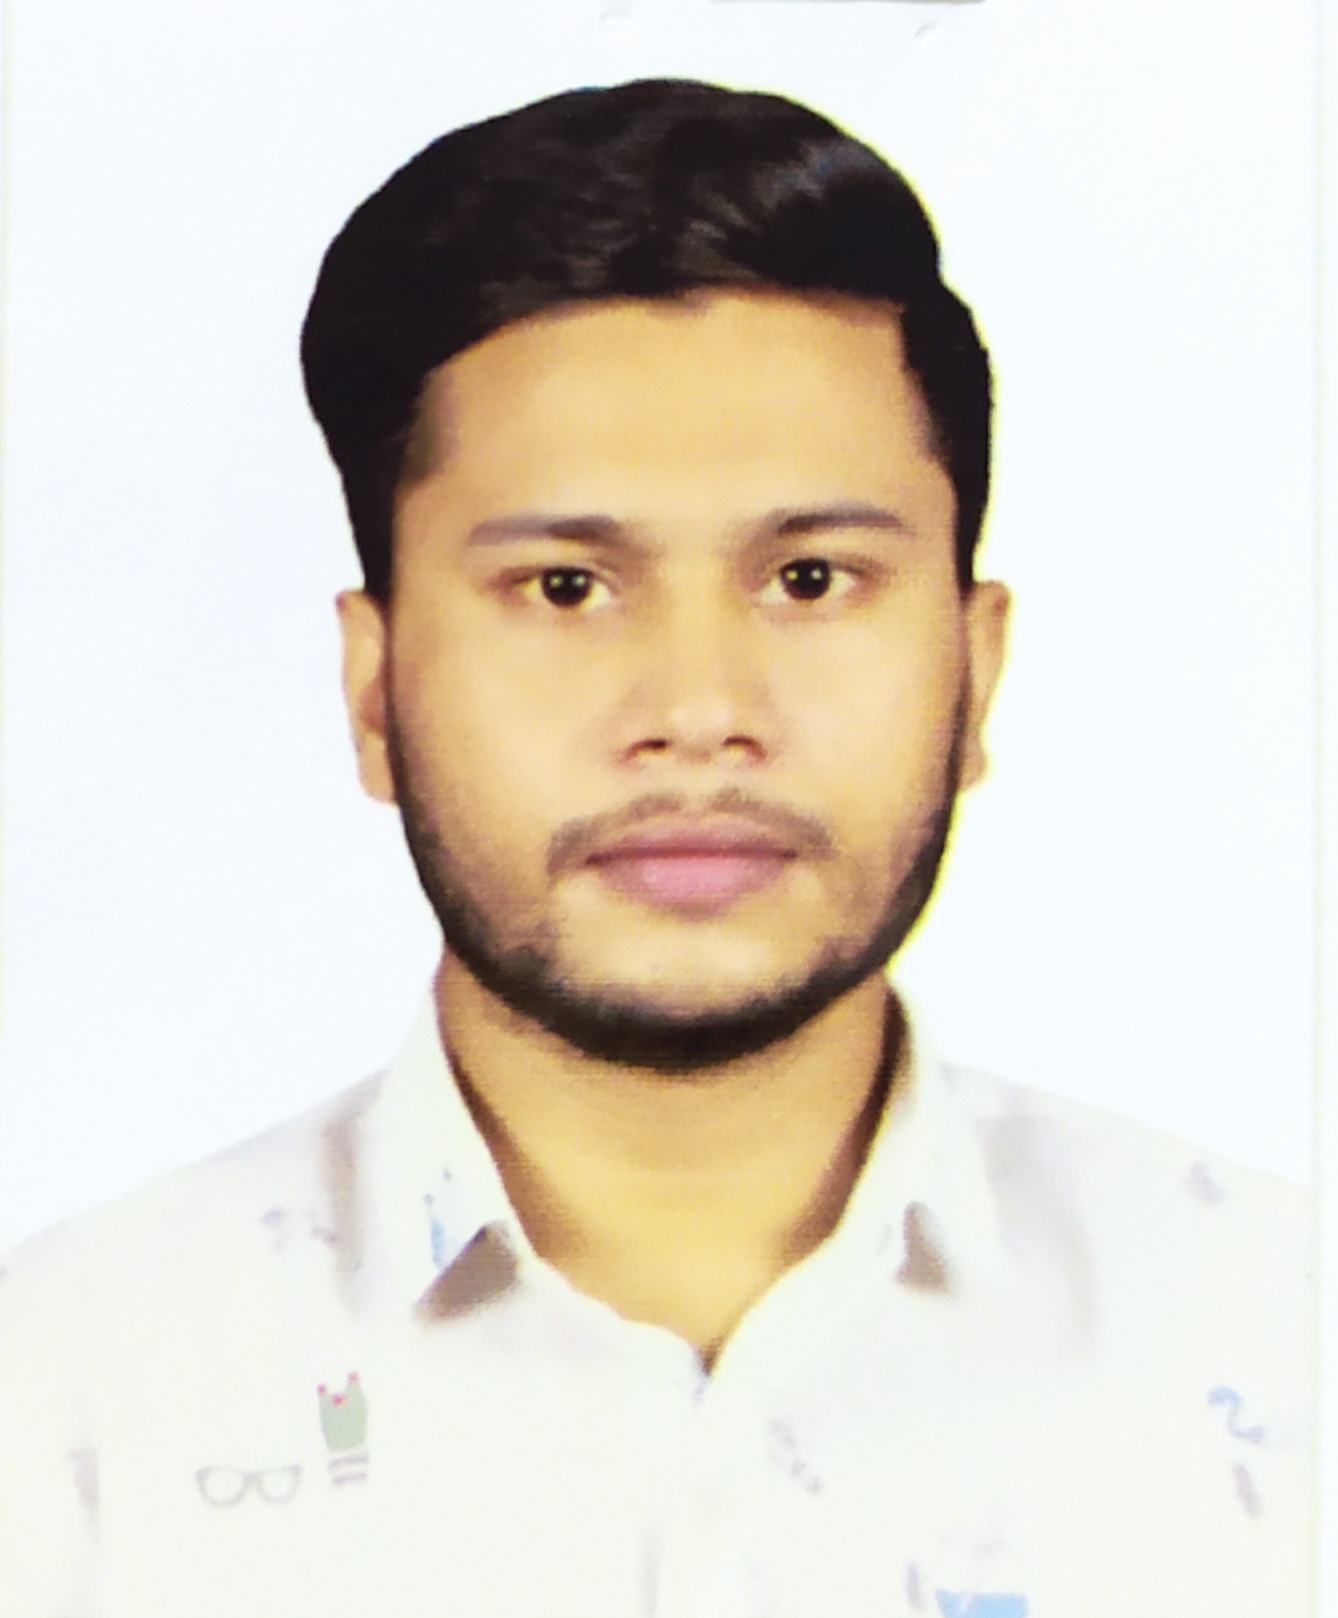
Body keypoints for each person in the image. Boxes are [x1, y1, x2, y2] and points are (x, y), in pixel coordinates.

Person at [0, 78, 1311, 1618]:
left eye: (809, 579)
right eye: (565, 587)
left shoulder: (1283, 1350)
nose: (697, 713)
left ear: (975, 669)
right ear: (373, 689)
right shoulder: (67, 1411)